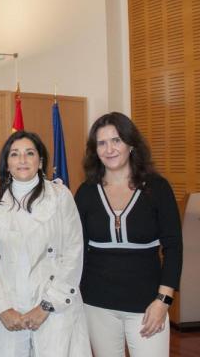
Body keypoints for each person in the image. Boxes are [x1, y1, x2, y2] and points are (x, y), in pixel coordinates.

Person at [75, 112, 182, 357]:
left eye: (116, 140)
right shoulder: (86, 192)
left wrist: (163, 302)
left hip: (147, 306)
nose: (109, 149)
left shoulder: (157, 188)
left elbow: (174, 247)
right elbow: (76, 248)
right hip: (97, 305)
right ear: (95, 150)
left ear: (131, 144)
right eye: (102, 143)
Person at [0, 131, 91, 357]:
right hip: (8, 312)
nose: (22, 160)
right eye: (15, 154)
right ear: (6, 164)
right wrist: (2, 308)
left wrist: (46, 306)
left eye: (30, 153)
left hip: (55, 310)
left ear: (40, 161)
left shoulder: (60, 196)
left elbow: (73, 254)